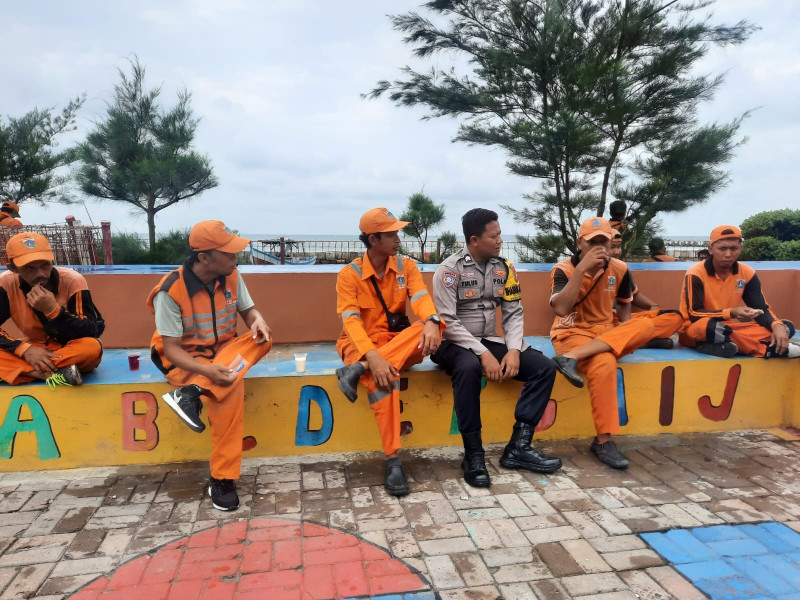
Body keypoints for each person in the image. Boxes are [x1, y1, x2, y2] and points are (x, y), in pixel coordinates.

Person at [146, 220, 272, 511]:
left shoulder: (231, 274)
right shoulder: (170, 291)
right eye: (228, 253)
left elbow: (248, 311)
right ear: (204, 257)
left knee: (263, 339)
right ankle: (222, 478)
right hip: (185, 359)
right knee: (229, 391)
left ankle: (191, 393)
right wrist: (206, 371)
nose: (235, 257)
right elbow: (171, 350)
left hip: (224, 353)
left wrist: (258, 321)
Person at [431, 208, 561, 488]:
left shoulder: (505, 269)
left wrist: (513, 350)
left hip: (489, 339)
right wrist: (483, 353)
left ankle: (518, 447)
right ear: (474, 240)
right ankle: (473, 454)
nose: (500, 240)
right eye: (495, 236)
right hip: (451, 343)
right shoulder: (449, 270)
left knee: (543, 368)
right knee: (468, 367)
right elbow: (446, 321)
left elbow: (514, 313)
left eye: (500, 234)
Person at [335, 208, 444, 496]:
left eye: (398, 232)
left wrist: (432, 320)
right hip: (359, 345)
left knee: (436, 324)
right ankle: (393, 460)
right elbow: (351, 322)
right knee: (383, 377)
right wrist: (372, 357)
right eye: (391, 234)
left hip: (397, 342)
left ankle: (357, 370)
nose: (398, 239)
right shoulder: (349, 275)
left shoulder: (407, 266)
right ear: (373, 239)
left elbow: (421, 299)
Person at [549, 218, 656, 469]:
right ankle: (604, 441)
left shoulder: (620, 268)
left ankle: (571, 359)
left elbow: (625, 305)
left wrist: (625, 333)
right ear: (580, 243)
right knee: (605, 362)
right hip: (572, 333)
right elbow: (561, 308)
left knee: (647, 325)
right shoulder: (563, 269)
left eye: (604, 242)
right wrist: (581, 270)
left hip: (606, 333)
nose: (599, 247)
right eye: (592, 242)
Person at [0, 232, 104, 387]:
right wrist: (24, 350)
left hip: (68, 349)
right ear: (13, 268)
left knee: (92, 347)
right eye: (29, 268)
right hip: (33, 348)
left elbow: (90, 330)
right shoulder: (6, 283)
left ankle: (28, 372)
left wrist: (53, 311)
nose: (41, 274)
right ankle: (56, 373)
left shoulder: (73, 280)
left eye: (45, 265)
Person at [679, 225, 799, 358]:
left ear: (741, 248)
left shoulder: (747, 272)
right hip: (695, 329)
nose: (728, 254)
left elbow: (761, 309)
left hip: (729, 329)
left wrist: (777, 326)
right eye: (722, 248)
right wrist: (732, 312)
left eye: (733, 249)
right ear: (711, 249)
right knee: (709, 327)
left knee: (786, 327)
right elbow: (694, 313)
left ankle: (722, 346)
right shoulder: (696, 273)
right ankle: (766, 350)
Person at [610, 231, 683, 350]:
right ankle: (640, 341)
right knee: (601, 329)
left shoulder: (621, 269)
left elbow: (634, 294)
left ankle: (634, 339)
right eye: (612, 247)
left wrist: (652, 305)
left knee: (675, 317)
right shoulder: (587, 270)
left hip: (625, 321)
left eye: (618, 247)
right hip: (604, 322)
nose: (617, 252)